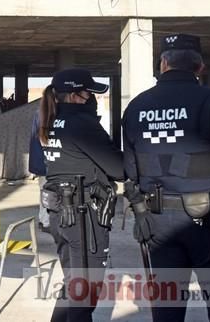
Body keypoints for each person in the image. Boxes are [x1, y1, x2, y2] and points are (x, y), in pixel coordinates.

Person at [122, 34, 210, 322]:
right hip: (208, 220)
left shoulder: (136, 107)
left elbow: (131, 172)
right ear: (200, 67)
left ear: (163, 63)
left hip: (156, 223)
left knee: (167, 308)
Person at [39, 68, 124, 322]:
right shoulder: (81, 124)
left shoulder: (49, 120)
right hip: (83, 217)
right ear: (76, 95)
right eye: (89, 93)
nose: (92, 99)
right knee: (85, 291)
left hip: (60, 215)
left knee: (73, 285)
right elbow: (118, 169)